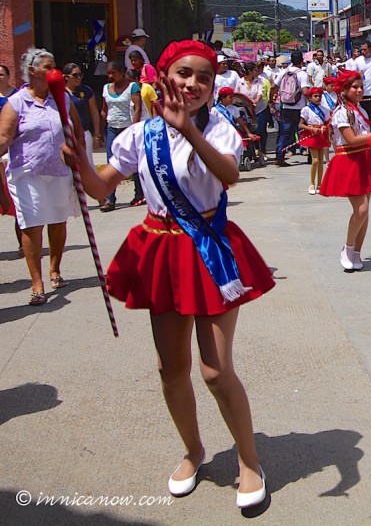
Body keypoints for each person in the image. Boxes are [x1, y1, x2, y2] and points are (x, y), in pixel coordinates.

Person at [74, 40, 273, 508]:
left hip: (208, 248)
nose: (195, 84)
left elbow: (229, 175)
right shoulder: (139, 136)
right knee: (171, 369)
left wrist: (189, 131)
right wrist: (78, 161)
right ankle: (193, 450)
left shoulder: (220, 128)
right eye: (185, 73)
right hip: (161, 249)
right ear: (164, 75)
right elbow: (101, 185)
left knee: (216, 370)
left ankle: (249, 459)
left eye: (204, 77)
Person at [0, 49, 82, 305]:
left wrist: (77, 155)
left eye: (55, 66)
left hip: (58, 171)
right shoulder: (17, 102)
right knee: (31, 224)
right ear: (32, 71)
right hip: (27, 172)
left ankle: (55, 269)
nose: (54, 71)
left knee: (58, 222)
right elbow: (4, 138)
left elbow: (77, 131)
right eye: (48, 67)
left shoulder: (63, 100)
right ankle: (37, 283)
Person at [319, 70, 371, 272]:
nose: (359, 90)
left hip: (365, 159)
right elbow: (351, 140)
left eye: (361, 87)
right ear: (344, 90)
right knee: (361, 209)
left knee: (365, 210)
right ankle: (347, 247)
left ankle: (357, 251)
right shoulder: (342, 112)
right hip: (349, 161)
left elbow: (369, 140)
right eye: (354, 87)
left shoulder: (361, 111)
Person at [100, 60, 144, 211]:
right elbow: (104, 109)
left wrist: (134, 129)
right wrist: (99, 132)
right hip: (112, 128)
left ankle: (139, 193)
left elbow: (137, 108)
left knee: (134, 161)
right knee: (111, 162)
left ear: (122, 72)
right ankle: (110, 199)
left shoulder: (133, 87)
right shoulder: (106, 88)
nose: (111, 76)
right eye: (109, 73)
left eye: (114, 73)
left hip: (128, 129)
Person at [274, 51, 310, 166]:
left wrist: (271, 100)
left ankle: (279, 156)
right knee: (304, 131)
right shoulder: (302, 74)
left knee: (285, 133)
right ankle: (308, 153)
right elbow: (305, 91)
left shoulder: (284, 72)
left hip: (286, 106)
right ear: (301, 61)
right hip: (300, 107)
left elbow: (274, 87)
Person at [0, 64, 21, 254]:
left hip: (11, 149)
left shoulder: (16, 98)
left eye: (1, 74)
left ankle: (23, 242)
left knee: (16, 200)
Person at [297, 87, 331, 194]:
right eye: (315, 96)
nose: (318, 98)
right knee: (315, 160)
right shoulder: (306, 110)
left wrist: (325, 127)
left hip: (321, 135)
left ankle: (320, 184)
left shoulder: (325, 109)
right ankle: (312, 183)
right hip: (312, 135)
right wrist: (311, 128)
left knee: (321, 161)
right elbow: (301, 124)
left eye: (319, 96)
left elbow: (327, 123)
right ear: (310, 97)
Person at [64, 62, 102, 154]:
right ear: (66, 77)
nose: (79, 78)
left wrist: (97, 135)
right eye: (75, 75)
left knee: (87, 162)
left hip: (84, 133)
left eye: (80, 75)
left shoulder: (86, 90)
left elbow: (94, 112)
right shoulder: (61, 92)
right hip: (66, 134)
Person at [238, 62, 270, 165]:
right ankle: (251, 151)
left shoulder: (260, 80)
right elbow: (236, 94)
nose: (257, 72)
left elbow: (261, 92)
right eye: (255, 70)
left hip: (259, 109)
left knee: (260, 130)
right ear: (249, 71)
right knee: (246, 131)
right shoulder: (240, 82)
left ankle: (262, 150)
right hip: (245, 110)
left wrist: (255, 100)